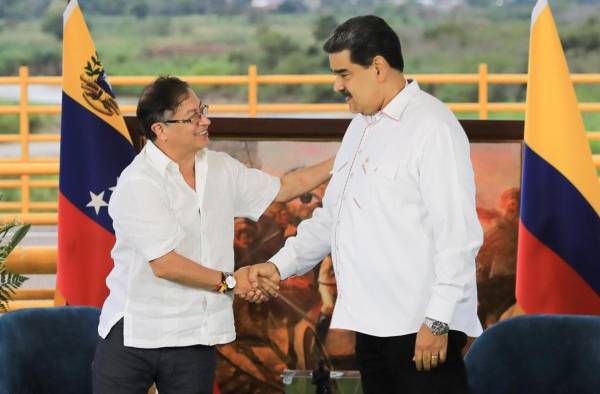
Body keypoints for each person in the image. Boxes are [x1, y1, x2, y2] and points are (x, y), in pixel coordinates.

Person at [247, 15, 483, 394]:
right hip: (371, 325)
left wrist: (437, 322)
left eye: (344, 74)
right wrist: (278, 266)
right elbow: (331, 220)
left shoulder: (433, 127)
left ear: (378, 67)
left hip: (419, 327)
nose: (337, 85)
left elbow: (459, 235)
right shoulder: (359, 127)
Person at [92, 76, 334, 394]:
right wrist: (233, 282)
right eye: (193, 116)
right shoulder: (140, 182)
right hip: (137, 333)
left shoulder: (220, 168)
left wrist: (344, 160)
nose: (205, 120)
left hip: (195, 334)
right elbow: (165, 264)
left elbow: (285, 188)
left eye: (202, 110)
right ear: (160, 129)